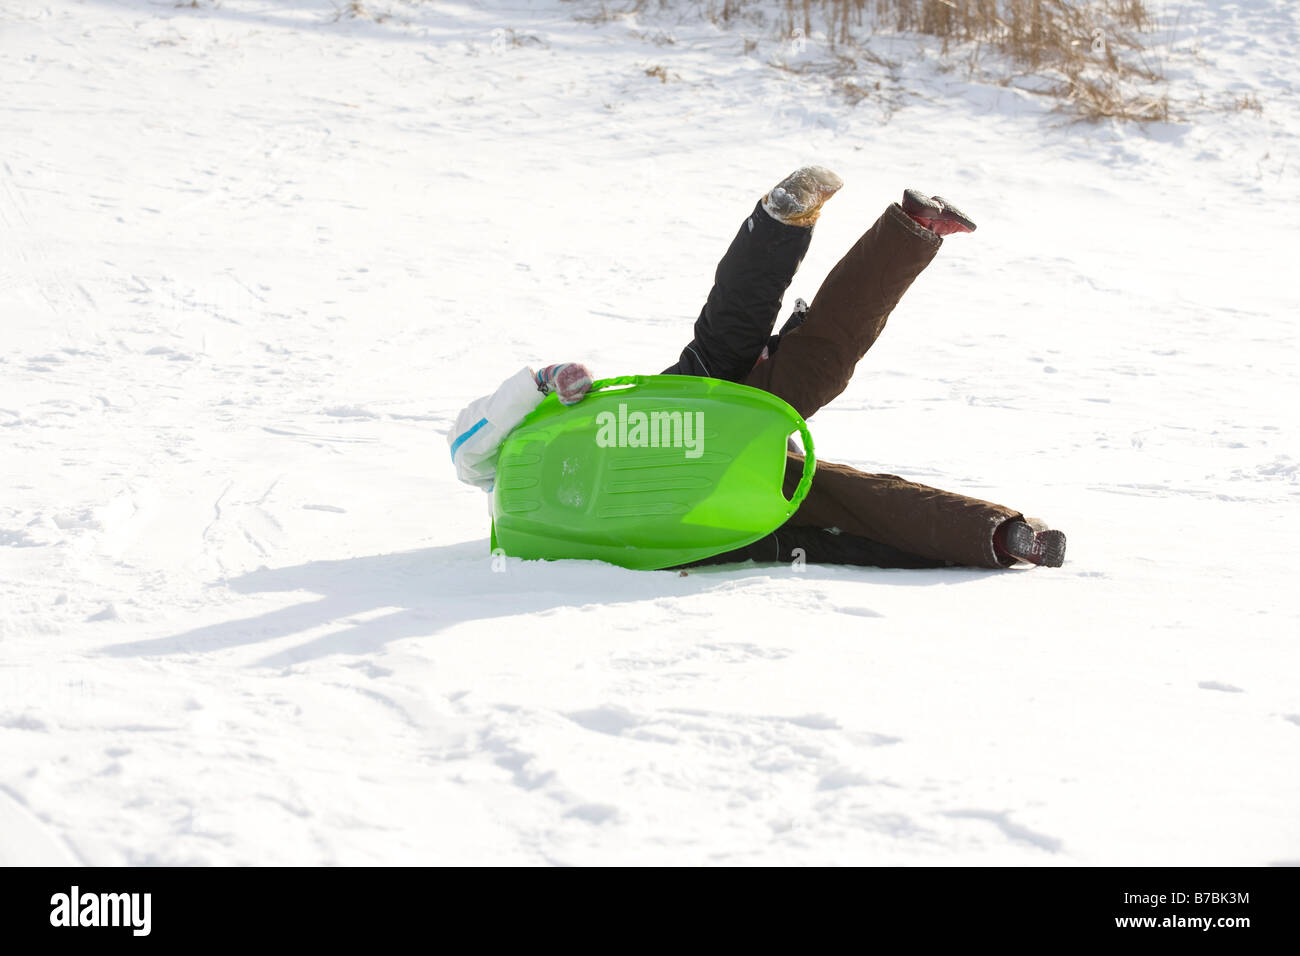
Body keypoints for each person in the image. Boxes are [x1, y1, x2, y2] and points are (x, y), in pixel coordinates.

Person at [448, 167, 1066, 570]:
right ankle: (910, 227)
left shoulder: (493, 477)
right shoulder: (539, 537)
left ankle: (784, 218)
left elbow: (468, 441)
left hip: (663, 418)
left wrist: (545, 382)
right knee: (818, 382)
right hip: (721, 484)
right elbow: (862, 525)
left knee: (729, 340)